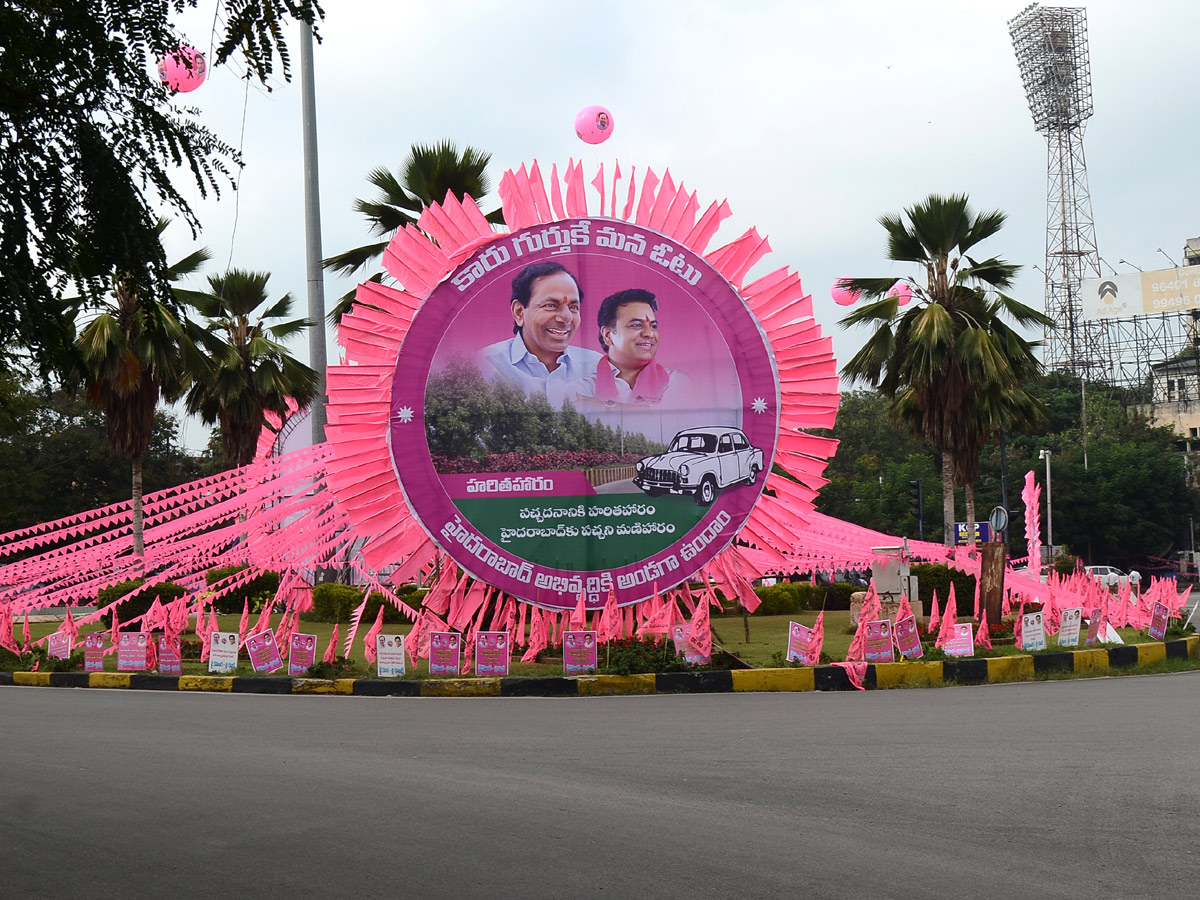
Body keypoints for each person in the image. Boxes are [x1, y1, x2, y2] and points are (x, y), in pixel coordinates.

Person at [478, 262, 601, 407]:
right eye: (550, 306)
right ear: (519, 312)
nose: (566, 318)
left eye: (573, 307)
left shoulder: (597, 367)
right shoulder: (483, 366)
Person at [592, 289, 688, 405]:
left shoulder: (676, 381)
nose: (649, 333)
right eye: (636, 325)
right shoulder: (584, 387)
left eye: (653, 326)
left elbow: (670, 419)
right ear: (608, 335)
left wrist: (603, 406)